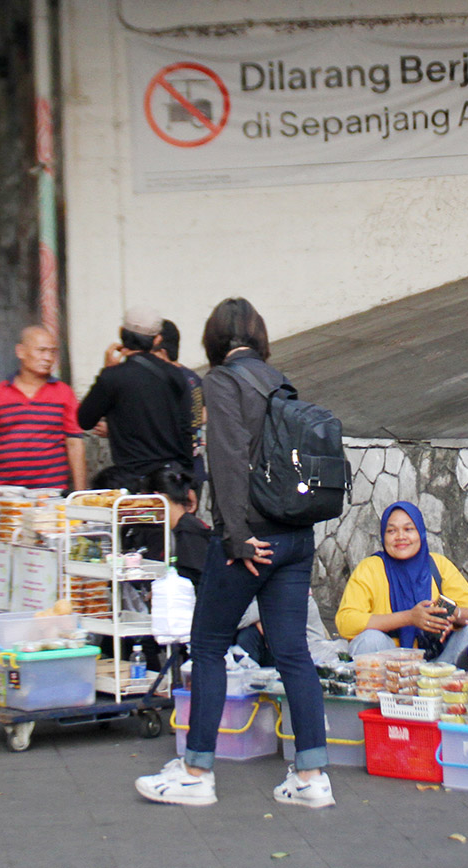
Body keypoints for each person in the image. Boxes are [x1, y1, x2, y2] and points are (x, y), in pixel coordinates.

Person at [136, 297, 333, 809]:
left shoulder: (221, 382)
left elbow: (225, 460)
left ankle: (196, 770)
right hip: (295, 536)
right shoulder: (278, 380)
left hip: (249, 540)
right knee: (294, 652)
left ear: (213, 338)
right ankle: (312, 779)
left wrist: (236, 537)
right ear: (258, 335)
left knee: (206, 645)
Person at [335, 502, 468, 664]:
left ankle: (446, 686)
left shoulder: (438, 565)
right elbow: (346, 622)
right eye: (391, 531)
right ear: (383, 537)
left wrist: (454, 616)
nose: (400, 537)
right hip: (389, 665)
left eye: (408, 529)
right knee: (370, 639)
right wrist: (409, 618)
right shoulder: (370, 568)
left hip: (438, 663)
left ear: (420, 532)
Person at [76, 307, 192, 492]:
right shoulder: (175, 375)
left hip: (131, 486)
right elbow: (187, 429)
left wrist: (106, 371)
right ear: (157, 339)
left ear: (121, 334)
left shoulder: (112, 378)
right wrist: (188, 483)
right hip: (170, 483)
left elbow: (84, 419)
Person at [0, 326, 86, 491]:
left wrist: (80, 493)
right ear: (20, 351)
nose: (48, 358)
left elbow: (74, 444)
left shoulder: (64, 393)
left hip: (52, 493)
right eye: (41, 351)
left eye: (52, 352)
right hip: (9, 493)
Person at [152, 319, 206, 489]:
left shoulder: (164, 381)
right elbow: (201, 415)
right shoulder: (192, 378)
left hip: (172, 475)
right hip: (194, 468)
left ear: (161, 352)